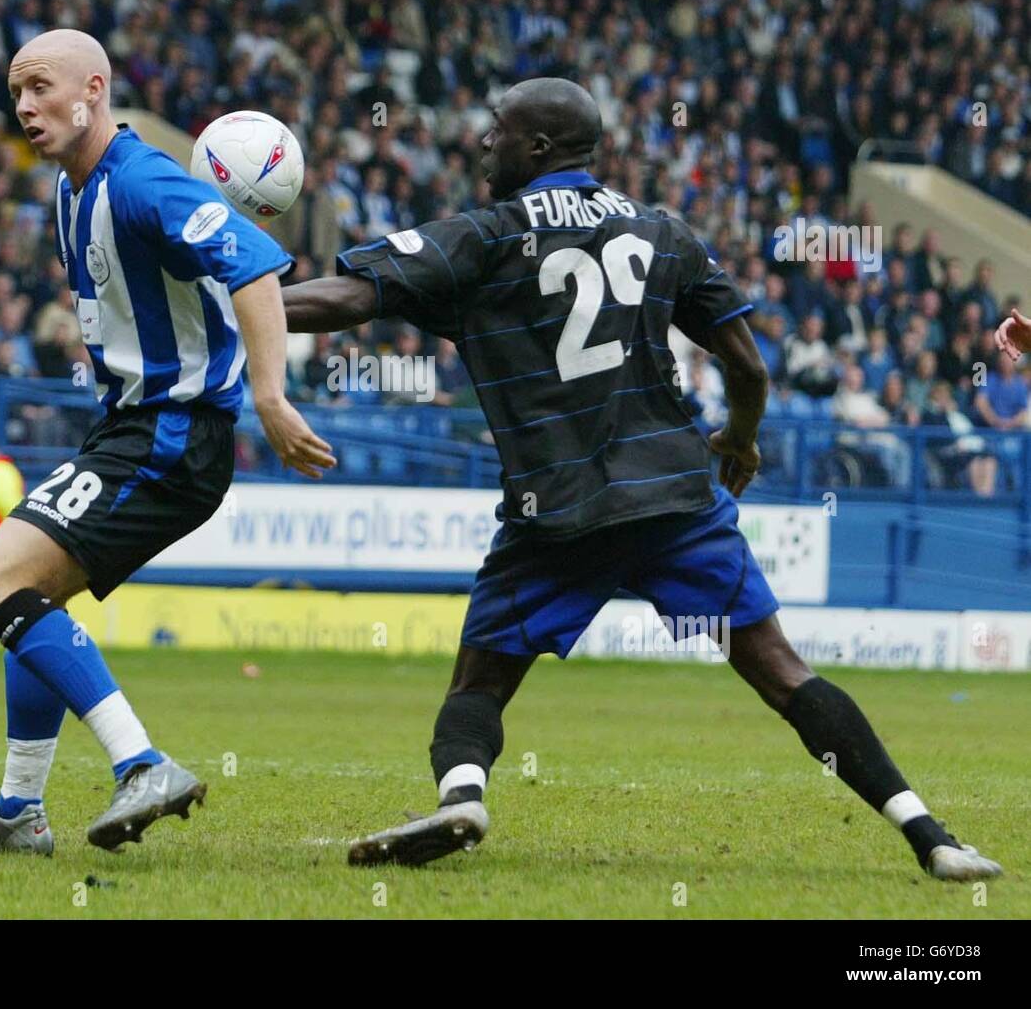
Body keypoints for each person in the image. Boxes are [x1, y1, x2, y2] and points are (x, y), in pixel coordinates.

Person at [281, 77, 1000, 881]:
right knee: (781, 671)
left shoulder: (482, 235)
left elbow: (348, 296)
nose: (483, 143)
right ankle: (932, 837)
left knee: (479, 680)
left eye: (497, 131)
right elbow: (747, 366)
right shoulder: (662, 231)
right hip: (675, 497)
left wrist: (245, 308)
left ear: (539, 148)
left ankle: (463, 795)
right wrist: (743, 441)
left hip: (556, 510)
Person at [0, 29, 335, 857]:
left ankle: (142, 763)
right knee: (29, 597)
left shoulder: (145, 181)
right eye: (16, 93)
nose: (23, 107)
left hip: (169, 434)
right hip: (130, 426)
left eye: (40, 88)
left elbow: (258, 269)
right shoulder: (66, 188)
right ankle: (19, 812)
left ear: (93, 90)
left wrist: (270, 394)